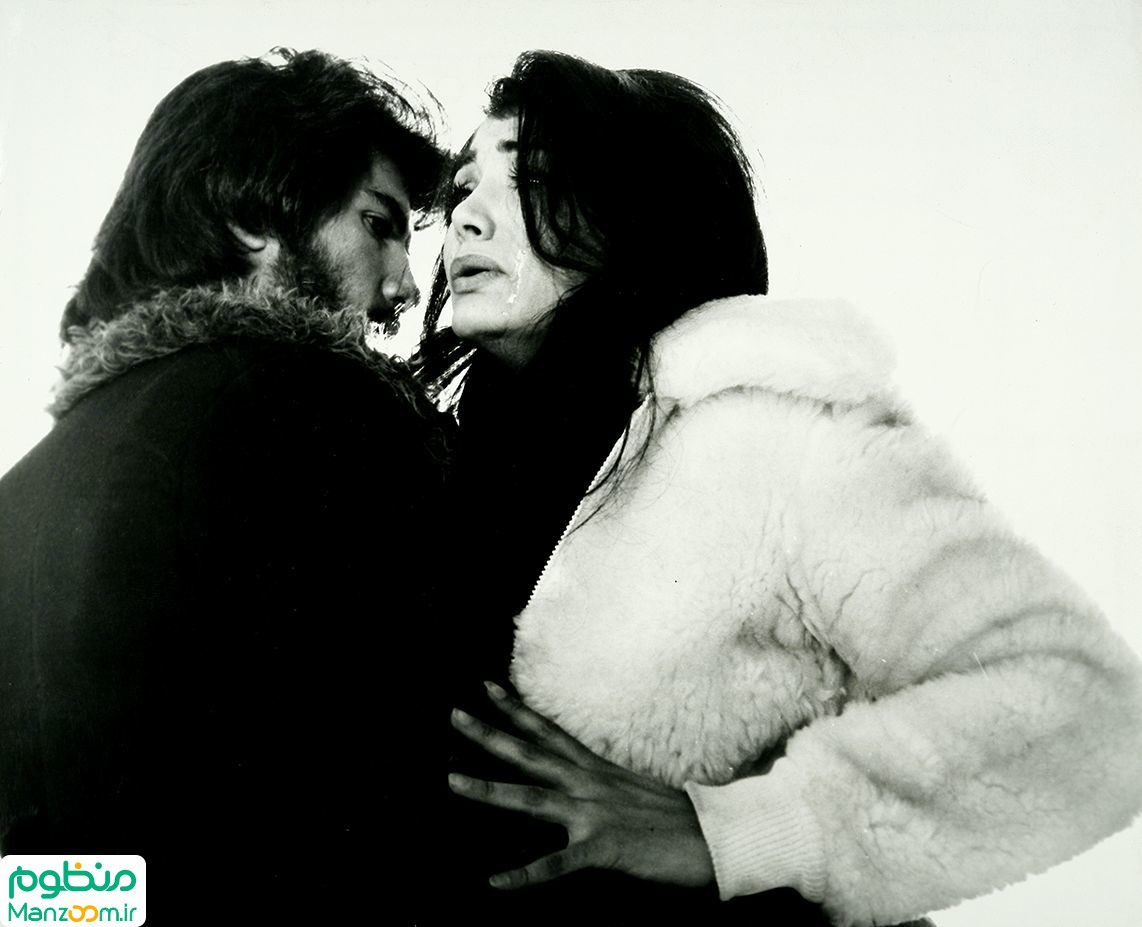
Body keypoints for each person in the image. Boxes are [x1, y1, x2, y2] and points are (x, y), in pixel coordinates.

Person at [415, 50, 1142, 926]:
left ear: (634, 213)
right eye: (464, 187)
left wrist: (730, 832)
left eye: (528, 179)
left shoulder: (778, 435)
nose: (468, 218)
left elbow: (1084, 708)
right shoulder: (445, 461)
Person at [0, 48, 450, 920]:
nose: (401, 286)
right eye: (378, 225)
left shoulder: (25, 490)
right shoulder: (322, 411)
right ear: (252, 216)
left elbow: (43, 882)